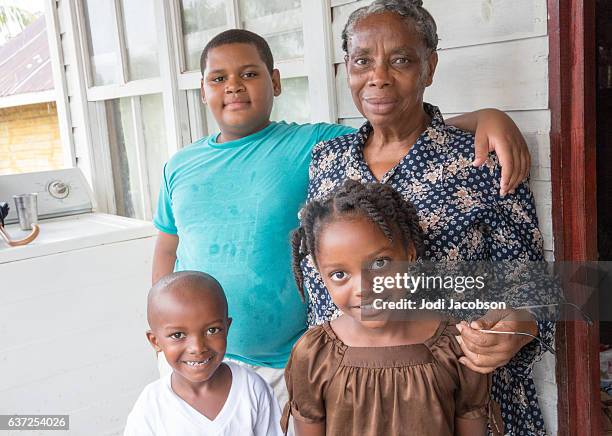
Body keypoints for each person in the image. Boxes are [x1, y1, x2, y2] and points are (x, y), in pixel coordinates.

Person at [152, 28, 534, 407]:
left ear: (275, 82)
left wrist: (485, 117)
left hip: (282, 362)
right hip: (195, 355)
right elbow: (167, 248)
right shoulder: (178, 166)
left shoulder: (314, 146)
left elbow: (395, 128)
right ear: (202, 90)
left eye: (249, 74)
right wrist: (163, 328)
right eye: (218, 79)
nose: (234, 86)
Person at [301, 2, 554, 434]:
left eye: (400, 59)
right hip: (356, 402)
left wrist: (519, 324)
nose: (378, 76)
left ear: (429, 67)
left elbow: (534, 287)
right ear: (347, 68)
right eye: (363, 60)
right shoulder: (327, 162)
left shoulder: (480, 159)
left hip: (465, 400)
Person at [284, 180, 502, 436]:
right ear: (321, 275)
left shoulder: (456, 346)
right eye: (340, 274)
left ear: (409, 256)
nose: (363, 288)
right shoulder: (313, 355)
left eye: (379, 264)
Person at [124, 271, 282, 436]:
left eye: (212, 330)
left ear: (227, 328)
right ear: (155, 341)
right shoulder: (151, 406)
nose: (198, 347)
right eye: (178, 335)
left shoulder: (251, 388)